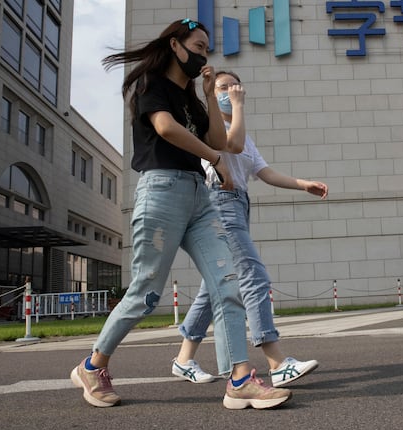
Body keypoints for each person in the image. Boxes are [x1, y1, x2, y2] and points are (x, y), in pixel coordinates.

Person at [69, 19, 291, 410]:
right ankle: (92, 365)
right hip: (161, 191)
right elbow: (167, 129)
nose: (204, 55)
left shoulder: (191, 96)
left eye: (207, 49)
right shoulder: (151, 85)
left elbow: (219, 140)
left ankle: (240, 379)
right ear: (175, 45)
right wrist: (214, 160)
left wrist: (208, 96)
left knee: (228, 281)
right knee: (145, 293)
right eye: (199, 46)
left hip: (198, 197)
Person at [172, 71, 329, 387]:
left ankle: (183, 359)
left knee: (216, 283)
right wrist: (239, 107)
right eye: (222, 87)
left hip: (239, 204)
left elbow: (264, 172)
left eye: (233, 86)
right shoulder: (207, 124)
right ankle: (276, 360)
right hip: (218, 201)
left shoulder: (242, 131)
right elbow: (233, 143)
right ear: (210, 93)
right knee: (252, 275)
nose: (230, 91)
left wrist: (303, 185)